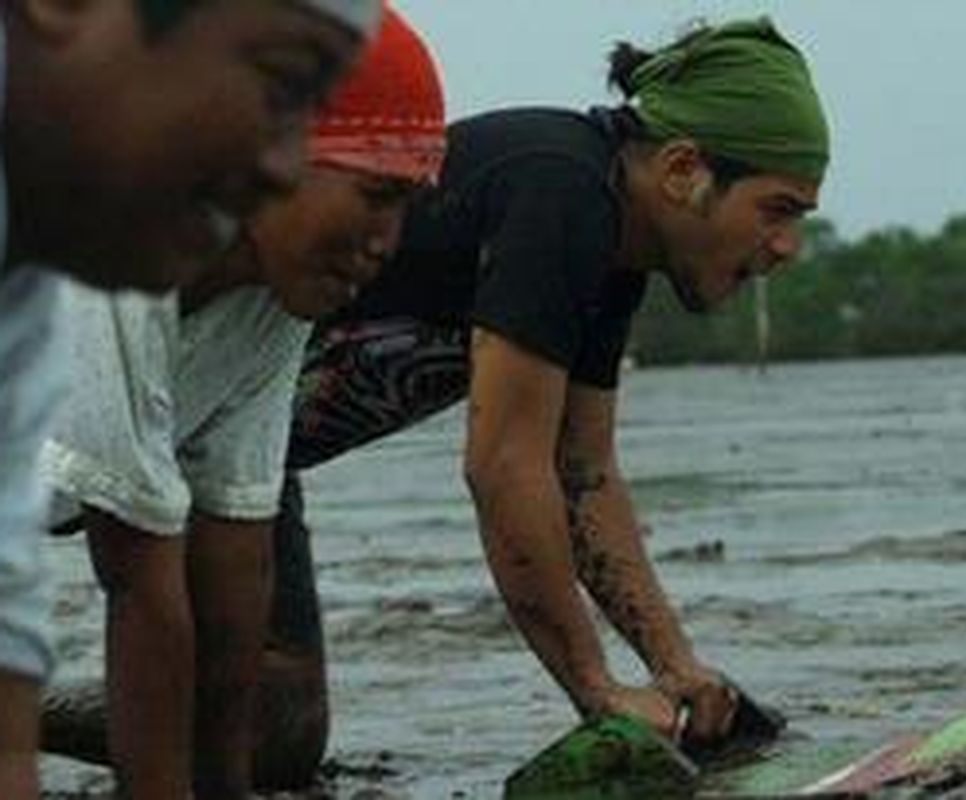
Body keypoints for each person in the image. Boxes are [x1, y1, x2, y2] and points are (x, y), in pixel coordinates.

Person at [123, 16, 828, 788]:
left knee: (274, 734)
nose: (789, 246)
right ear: (683, 169)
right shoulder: (559, 188)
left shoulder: (615, 259)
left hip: (245, 455)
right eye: (778, 209)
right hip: (167, 396)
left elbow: (582, 474)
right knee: (237, 711)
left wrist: (673, 665)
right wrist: (595, 689)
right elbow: (504, 468)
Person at [38, 9, 445, 798]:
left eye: (409, 206)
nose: (388, 241)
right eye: (375, 195)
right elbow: (139, 581)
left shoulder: (272, 294)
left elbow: (234, 558)